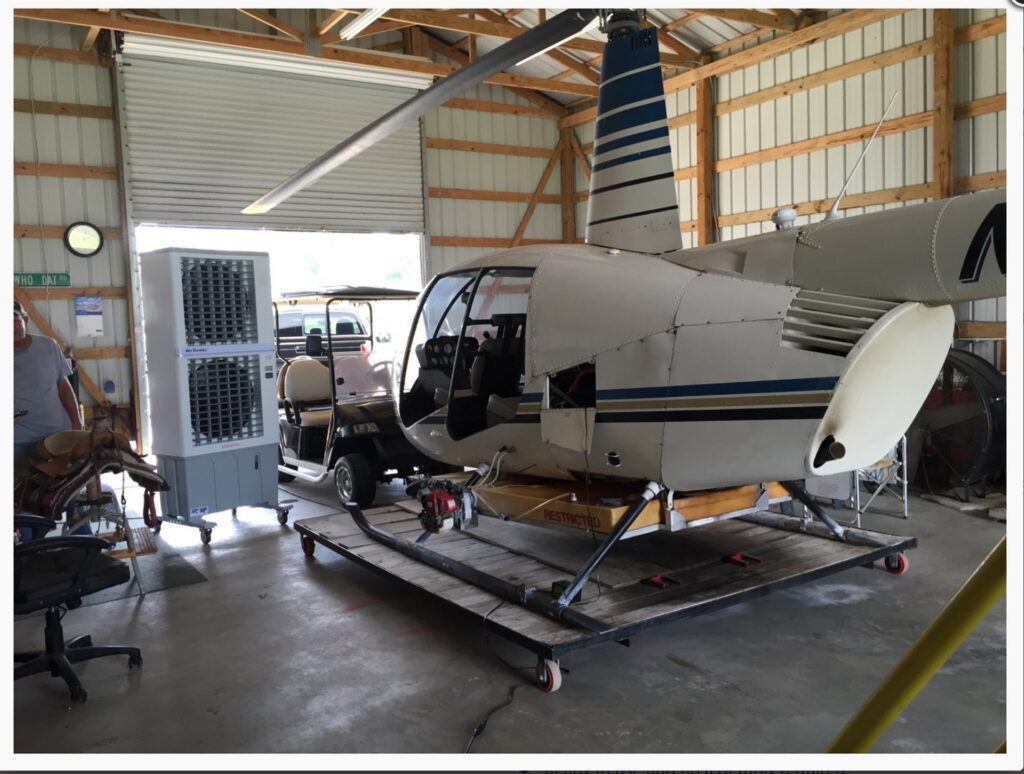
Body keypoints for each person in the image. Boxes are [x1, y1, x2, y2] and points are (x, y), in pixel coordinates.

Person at [13, 300, 82, 479]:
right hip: (17, 441)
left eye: (14, 320)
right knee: (21, 495)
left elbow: (64, 386)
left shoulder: (49, 346)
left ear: (25, 321)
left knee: (65, 489)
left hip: (57, 436)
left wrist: (76, 422)